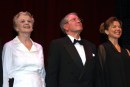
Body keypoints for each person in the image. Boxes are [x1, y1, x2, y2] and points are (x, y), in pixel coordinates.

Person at [45, 12, 101, 87]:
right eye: (74, 19)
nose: (78, 21)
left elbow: (96, 75)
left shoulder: (91, 46)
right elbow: (52, 74)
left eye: (79, 20)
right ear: (66, 27)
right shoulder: (57, 44)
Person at [2, 11, 46, 87]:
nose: (27, 23)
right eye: (22, 21)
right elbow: (6, 74)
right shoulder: (9, 46)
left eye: (29, 21)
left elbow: (42, 74)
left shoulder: (39, 47)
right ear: (16, 27)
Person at [98, 17, 130, 87]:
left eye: (119, 27)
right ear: (106, 31)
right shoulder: (103, 48)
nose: (118, 29)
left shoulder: (127, 52)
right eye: (114, 27)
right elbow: (100, 73)